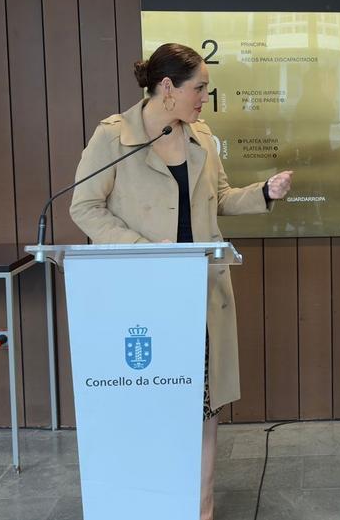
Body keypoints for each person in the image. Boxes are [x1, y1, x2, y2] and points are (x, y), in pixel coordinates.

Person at [69, 42, 293, 520]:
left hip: (198, 292)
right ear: (167, 88)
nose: (205, 99)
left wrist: (264, 194)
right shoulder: (113, 137)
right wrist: (145, 252)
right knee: (149, 398)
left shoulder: (201, 136)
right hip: (140, 294)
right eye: (200, 88)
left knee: (203, 402)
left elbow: (222, 197)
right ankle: (147, 498)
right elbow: (84, 207)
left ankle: (202, 505)